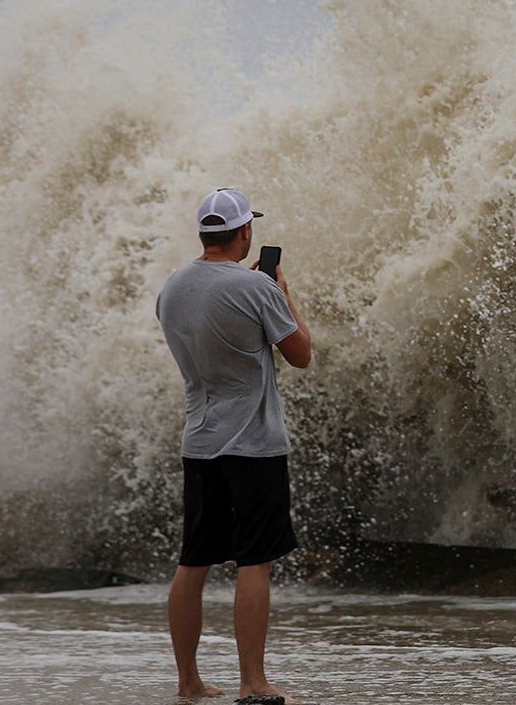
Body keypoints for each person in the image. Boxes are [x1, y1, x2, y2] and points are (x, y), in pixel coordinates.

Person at [157, 188, 311, 703]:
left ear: (204, 233)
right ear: (244, 232)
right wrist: (282, 291)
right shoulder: (256, 287)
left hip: (199, 443)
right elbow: (301, 354)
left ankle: (188, 683)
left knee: (193, 561)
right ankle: (253, 683)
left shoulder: (172, 288)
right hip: (254, 446)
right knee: (254, 562)